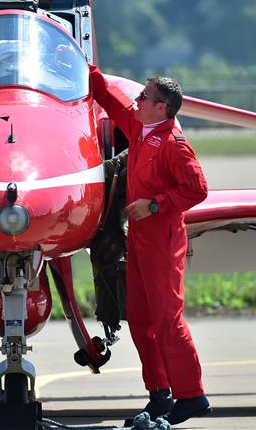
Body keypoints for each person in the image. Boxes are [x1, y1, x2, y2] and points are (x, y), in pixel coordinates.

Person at [88, 65, 212, 426]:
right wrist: (87, 69)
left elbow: (197, 189)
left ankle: (192, 395)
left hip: (163, 238)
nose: (137, 99)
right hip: (140, 238)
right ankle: (159, 394)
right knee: (141, 320)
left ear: (162, 108)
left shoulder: (175, 145)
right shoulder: (141, 129)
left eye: (144, 96)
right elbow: (112, 103)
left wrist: (155, 204)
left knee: (167, 320)